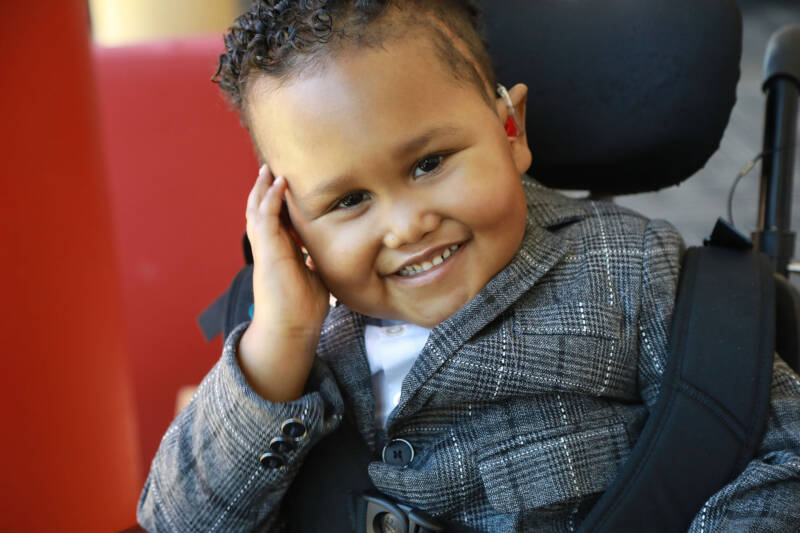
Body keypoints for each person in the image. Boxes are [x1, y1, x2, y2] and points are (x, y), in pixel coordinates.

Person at [137, 1, 800, 531]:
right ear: (289, 222)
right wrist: (277, 345)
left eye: (430, 163)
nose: (406, 224)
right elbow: (176, 518)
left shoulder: (633, 276)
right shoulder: (294, 338)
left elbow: (782, 451)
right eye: (348, 200)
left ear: (510, 132)